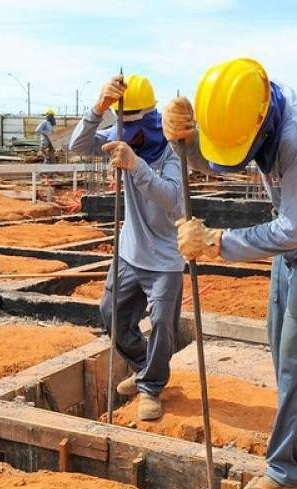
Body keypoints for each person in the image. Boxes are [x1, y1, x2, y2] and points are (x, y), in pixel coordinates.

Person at [166, 58, 297, 489]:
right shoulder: (259, 119)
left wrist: (218, 242)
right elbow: (222, 159)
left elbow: (295, 230)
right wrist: (187, 141)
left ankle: (286, 475)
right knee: (280, 339)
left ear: (262, 121)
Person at [69, 74, 184, 421]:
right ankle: (144, 366)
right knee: (112, 314)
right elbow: (77, 146)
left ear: (151, 116)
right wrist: (98, 108)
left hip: (164, 258)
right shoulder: (117, 135)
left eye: (134, 123)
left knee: (163, 323)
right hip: (129, 252)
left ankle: (152, 386)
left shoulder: (170, 152)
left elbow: (174, 200)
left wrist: (136, 166)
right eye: (122, 124)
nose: (129, 132)